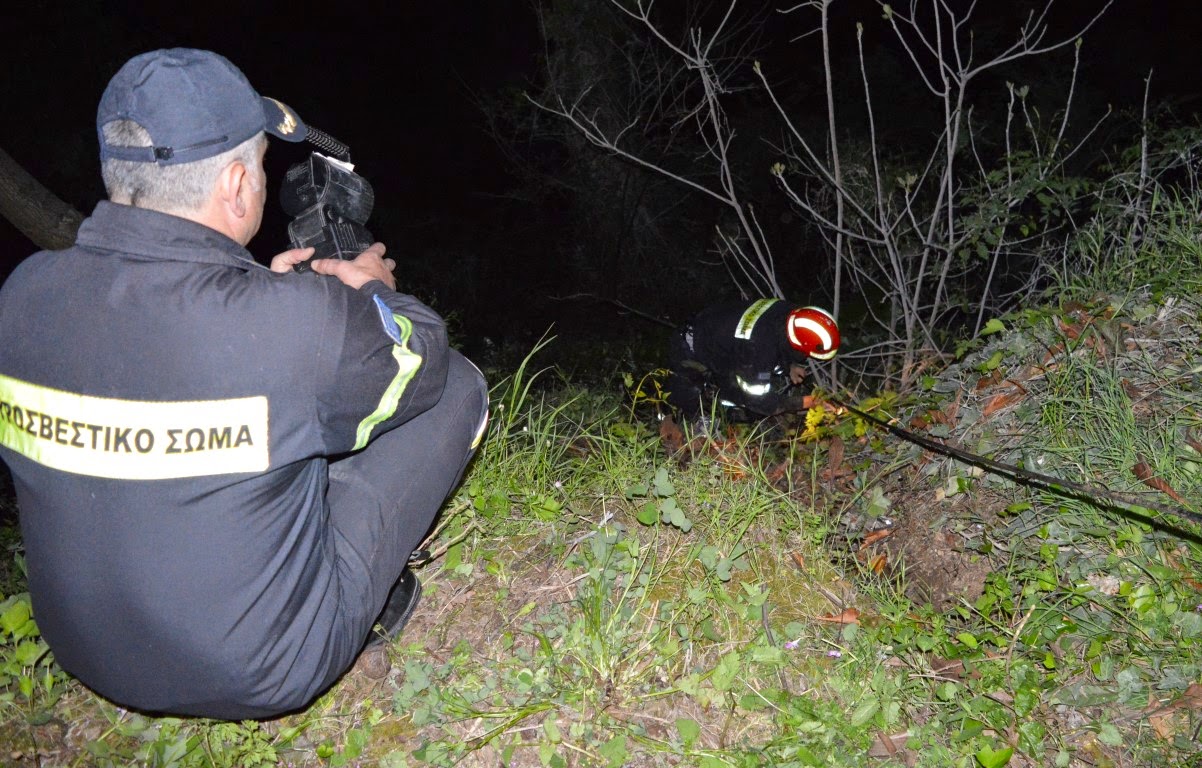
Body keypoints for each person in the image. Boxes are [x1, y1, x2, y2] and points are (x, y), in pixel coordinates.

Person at [0, 49, 489, 719]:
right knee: (459, 388)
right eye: (260, 164)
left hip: (85, 652)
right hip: (262, 669)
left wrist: (266, 293)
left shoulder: (21, 298)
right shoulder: (289, 329)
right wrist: (376, 297)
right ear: (235, 185)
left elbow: (155, 350)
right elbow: (422, 363)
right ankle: (355, 605)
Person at [666, 298, 840, 431]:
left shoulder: (786, 312)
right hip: (690, 350)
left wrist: (789, 366)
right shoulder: (758, 349)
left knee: (730, 394)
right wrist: (807, 402)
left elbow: (778, 341)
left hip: (720, 338)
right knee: (689, 408)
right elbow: (761, 402)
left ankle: (719, 406)